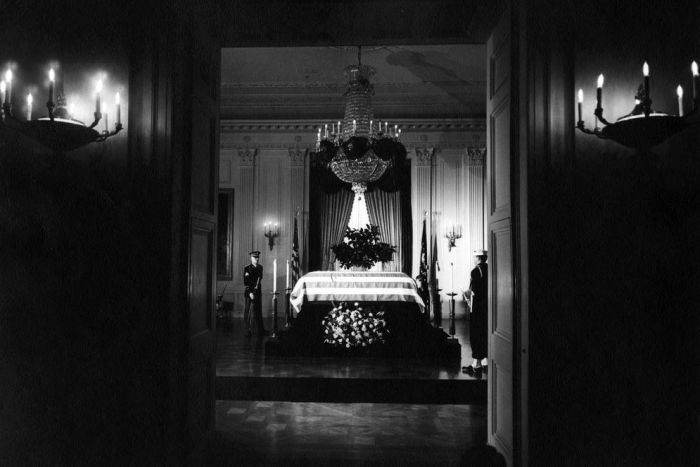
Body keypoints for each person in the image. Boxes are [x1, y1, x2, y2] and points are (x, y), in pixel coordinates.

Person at [463, 249, 488, 374]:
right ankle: (485, 360)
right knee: (486, 332)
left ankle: (476, 363)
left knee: (476, 334)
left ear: (478, 258)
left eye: (474, 257)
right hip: (489, 307)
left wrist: (467, 295)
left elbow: (474, 291)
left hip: (477, 308)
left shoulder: (475, 271)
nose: (473, 259)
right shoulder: (490, 269)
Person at [243, 250, 266, 337]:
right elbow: (246, 282)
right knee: (248, 311)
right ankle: (247, 331)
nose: (257, 259)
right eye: (255, 257)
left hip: (257, 292)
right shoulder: (247, 268)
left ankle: (261, 330)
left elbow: (260, 279)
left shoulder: (260, 267)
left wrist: (256, 289)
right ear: (251, 258)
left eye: (257, 257)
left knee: (258, 311)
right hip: (250, 292)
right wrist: (250, 293)